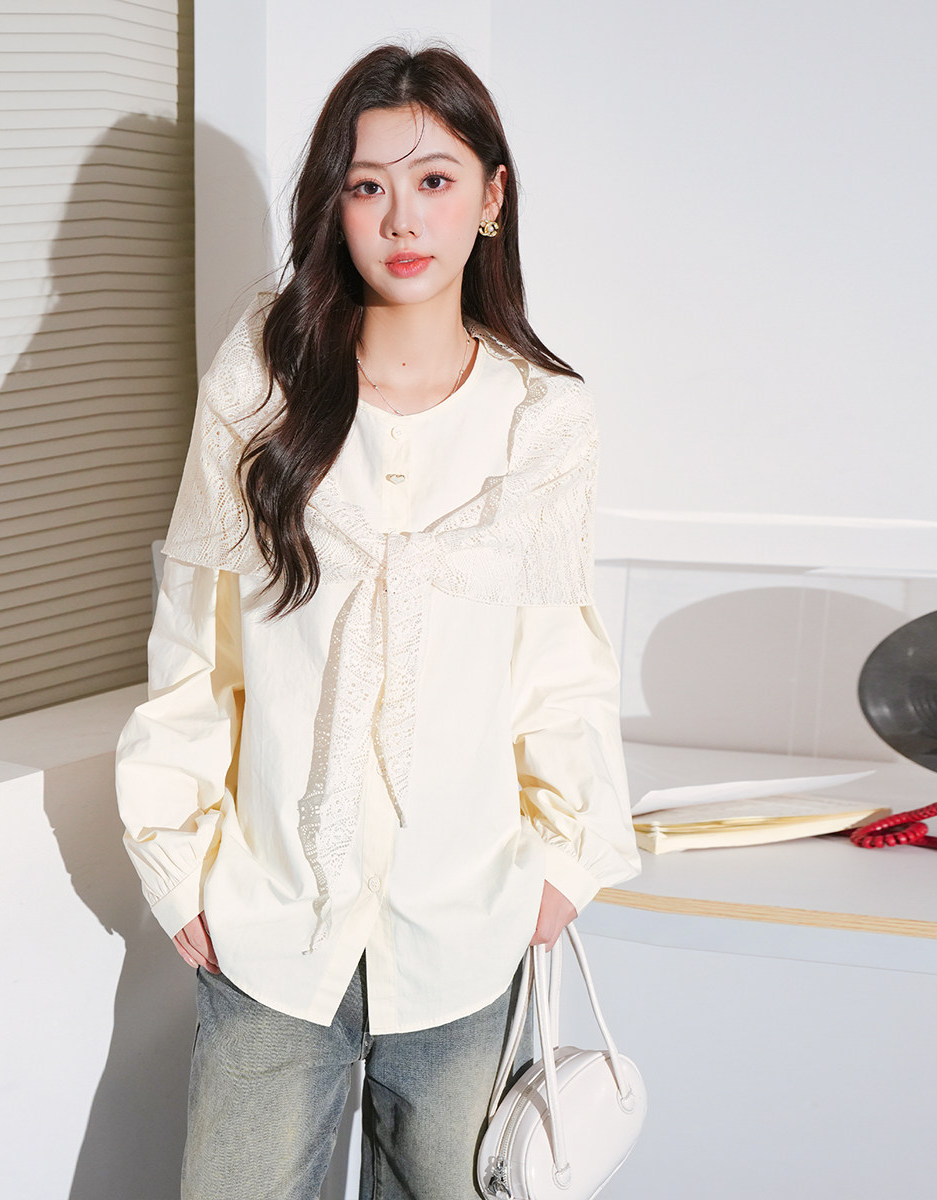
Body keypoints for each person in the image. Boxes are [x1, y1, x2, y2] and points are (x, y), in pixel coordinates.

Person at [114, 42, 641, 1200]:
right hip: (273, 931)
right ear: (334, 206)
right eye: (367, 186)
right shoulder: (259, 386)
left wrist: (564, 861)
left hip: (468, 933)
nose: (403, 217)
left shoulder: (546, 421)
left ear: (492, 197)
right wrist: (177, 860)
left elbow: (559, 661)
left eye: (435, 180)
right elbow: (196, 636)